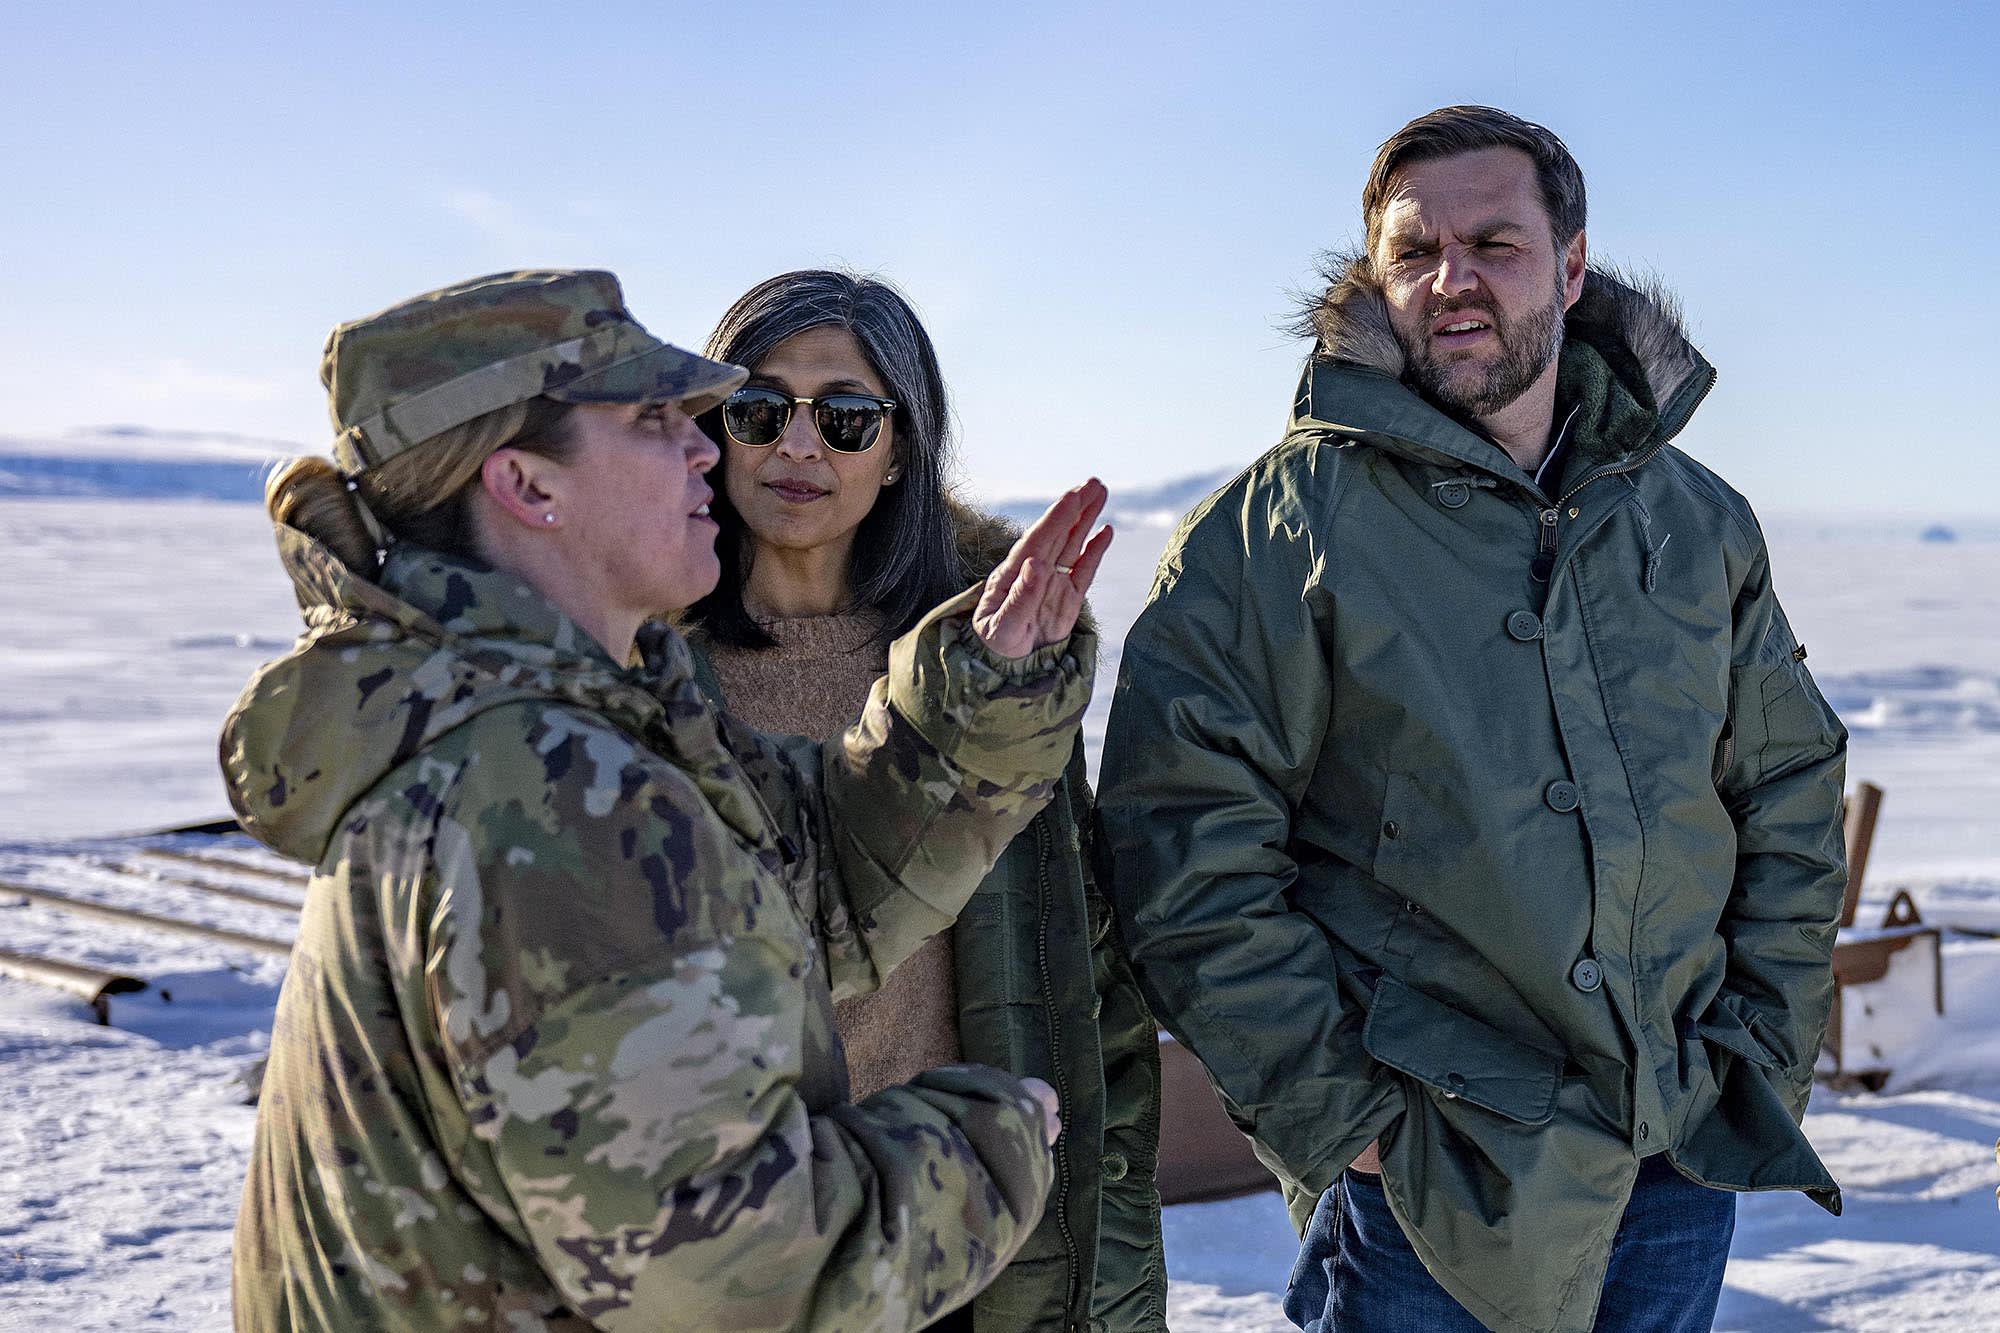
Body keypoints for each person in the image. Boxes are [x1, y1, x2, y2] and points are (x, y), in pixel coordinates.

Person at [221, 268, 1114, 1331]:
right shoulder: (543, 797)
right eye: (656, 420)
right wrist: (982, 1143)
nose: (706, 446)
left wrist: (969, 702)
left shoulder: (560, 718)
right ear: (527, 487)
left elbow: (803, 886)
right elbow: (730, 1277)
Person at [1097, 107, 1849, 1333]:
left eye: (1493, 243)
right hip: (1427, 1182)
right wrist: (1344, 1122)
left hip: (1674, 1151)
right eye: (1412, 252)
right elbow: (1183, 845)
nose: (1450, 281)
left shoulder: (1694, 521)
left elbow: (1787, 784)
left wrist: (1753, 1049)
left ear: (1568, 265)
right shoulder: (1277, 530)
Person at [676, 269, 1166, 1333]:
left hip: (966, 1227)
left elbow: (1084, 981)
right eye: (758, 409)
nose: (797, 449)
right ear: (710, 427)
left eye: (845, 418)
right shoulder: (644, 667)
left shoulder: (985, 666)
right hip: (731, 1248)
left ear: (899, 446)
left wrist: (1106, 1230)